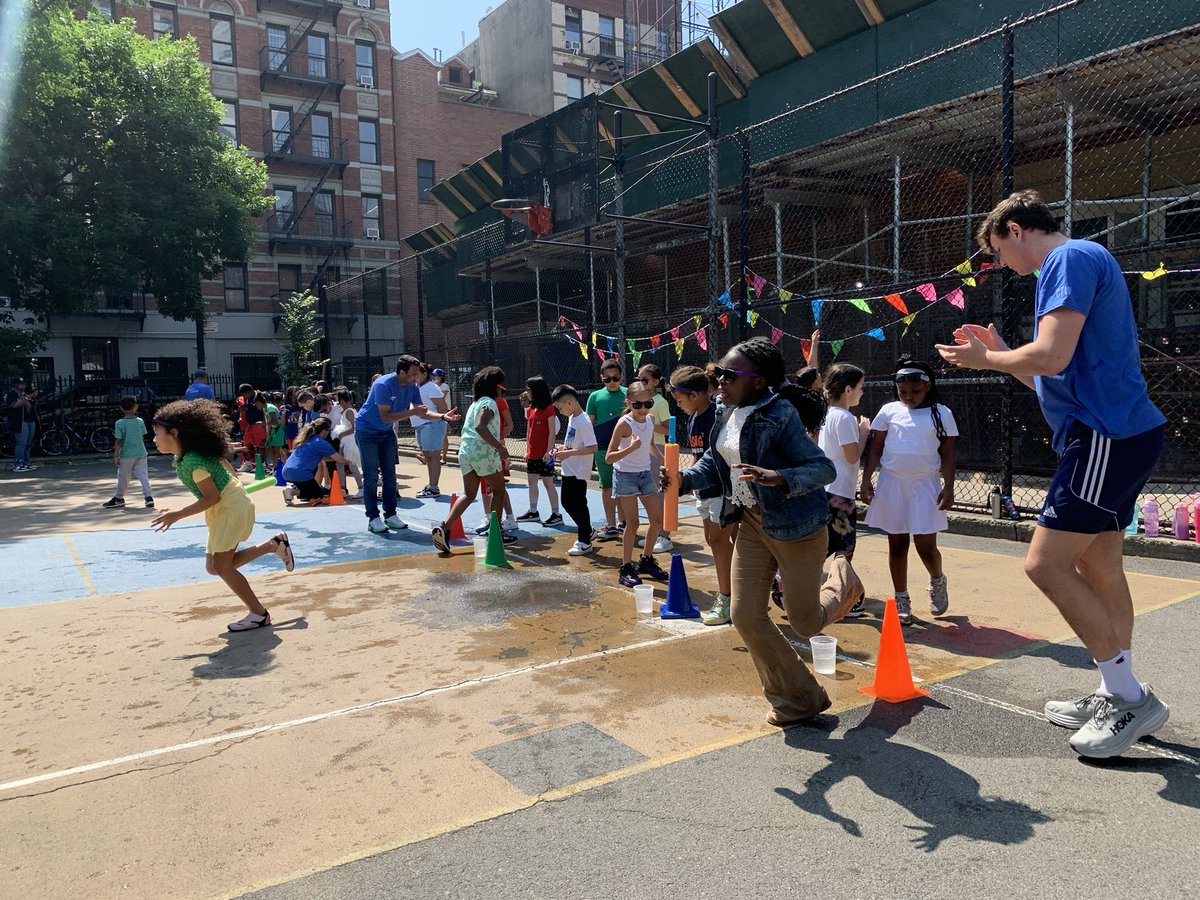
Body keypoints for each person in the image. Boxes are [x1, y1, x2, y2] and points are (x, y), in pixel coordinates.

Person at [935, 189, 1169, 759]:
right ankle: (1117, 688)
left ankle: (1129, 699)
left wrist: (987, 358)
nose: (1001, 265)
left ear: (1015, 230)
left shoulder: (1068, 258)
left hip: (1104, 436)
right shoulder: (1079, 262)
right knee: (1100, 565)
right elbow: (1050, 374)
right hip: (1119, 433)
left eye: (998, 251)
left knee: (1045, 565)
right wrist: (1004, 352)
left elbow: (1050, 357)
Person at [667, 338, 860, 728]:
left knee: (804, 623)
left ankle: (843, 578)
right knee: (744, 615)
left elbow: (823, 468)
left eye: (729, 375)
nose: (720, 381)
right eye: (718, 373)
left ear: (757, 382)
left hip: (796, 528)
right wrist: (684, 479)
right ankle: (798, 700)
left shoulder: (780, 414)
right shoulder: (725, 410)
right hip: (753, 524)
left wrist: (779, 476)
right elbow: (717, 461)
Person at [150, 399, 294, 632]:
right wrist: (233, 481)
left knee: (222, 566)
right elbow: (221, 462)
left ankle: (259, 614)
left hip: (229, 508)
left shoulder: (192, 462)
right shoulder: (189, 456)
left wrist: (177, 515)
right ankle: (273, 544)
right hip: (225, 507)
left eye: (157, 433)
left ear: (174, 433)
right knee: (214, 566)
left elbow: (211, 497)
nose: (154, 439)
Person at [860, 356, 957, 626]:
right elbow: (876, 448)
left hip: (926, 485)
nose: (908, 396)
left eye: (915, 390)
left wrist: (949, 487)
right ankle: (901, 598)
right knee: (897, 544)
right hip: (892, 484)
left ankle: (937, 579)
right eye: (902, 391)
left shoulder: (941, 413)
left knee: (926, 547)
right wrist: (866, 479)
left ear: (927, 386)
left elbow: (948, 453)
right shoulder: (889, 411)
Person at [669, 365, 737, 625]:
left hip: (721, 489)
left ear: (695, 395)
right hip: (703, 489)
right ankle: (736, 591)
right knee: (712, 539)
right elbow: (697, 457)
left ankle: (727, 598)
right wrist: (684, 479)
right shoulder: (693, 417)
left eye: (680, 400)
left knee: (719, 541)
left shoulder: (715, 416)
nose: (679, 406)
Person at [356, 355, 454, 534]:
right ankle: (373, 518)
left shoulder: (412, 386)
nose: (417, 377)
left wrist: (442, 416)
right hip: (367, 431)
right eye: (413, 374)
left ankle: (391, 515)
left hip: (386, 433)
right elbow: (385, 416)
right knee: (371, 476)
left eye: (418, 374)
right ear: (402, 372)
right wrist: (412, 412)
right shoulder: (382, 385)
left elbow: (422, 412)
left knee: (390, 475)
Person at [432, 366, 517, 552]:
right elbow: (480, 426)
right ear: (495, 386)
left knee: (469, 494)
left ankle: (444, 527)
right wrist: (500, 447)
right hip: (483, 453)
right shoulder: (489, 403)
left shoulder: (475, 403)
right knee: (499, 490)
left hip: (466, 452)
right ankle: (496, 532)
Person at [818, 363, 872, 618]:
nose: (862, 392)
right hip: (840, 493)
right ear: (848, 390)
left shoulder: (828, 414)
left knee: (827, 544)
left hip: (828, 488)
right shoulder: (844, 417)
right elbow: (852, 456)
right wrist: (864, 433)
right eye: (860, 387)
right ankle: (844, 599)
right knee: (844, 548)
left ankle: (789, 581)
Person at [605, 380, 669, 587]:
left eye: (647, 404)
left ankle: (646, 560)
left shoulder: (650, 420)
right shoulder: (624, 424)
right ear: (628, 403)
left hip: (644, 474)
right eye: (637, 404)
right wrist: (630, 448)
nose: (643, 409)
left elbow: (649, 445)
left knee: (657, 520)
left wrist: (664, 460)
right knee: (633, 523)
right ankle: (625, 567)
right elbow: (609, 457)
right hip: (625, 476)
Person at [551, 384, 598, 556]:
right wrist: (561, 449)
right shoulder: (573, 418)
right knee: (567, 502)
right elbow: (571, 442)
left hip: (578, 470)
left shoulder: (583, 421)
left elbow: (592, 447)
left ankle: (585, 541)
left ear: (569, 403)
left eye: (560, 408)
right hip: (569, 468)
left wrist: (568, 453)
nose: (560, 411)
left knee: (579, 504)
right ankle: (587, 530)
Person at [586, 359, 627, 541]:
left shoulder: (628, 394)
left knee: (624, 487)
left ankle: (623, 523)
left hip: (625, 448)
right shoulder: (594, 397)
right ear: (601, 378)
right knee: (607, 486)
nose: (612, 382)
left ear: (621, 376)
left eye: (615, 378)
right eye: (607, 379)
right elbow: (590, 423)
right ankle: (611, 525)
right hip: (603, 448)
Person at [636, 363, 674, 552]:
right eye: (638, 379)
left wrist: (648, 423)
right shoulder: (639, 401)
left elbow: (668, 429)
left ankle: (664, 536)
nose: (641, 383)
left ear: (655, 381)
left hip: (655, 448)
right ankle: (655, 532)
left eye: (644, 379)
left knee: (658, 493)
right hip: (641, 449)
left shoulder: (660, 402)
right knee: (647, 493)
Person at [516, 376, 562, 526]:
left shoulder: (548, 409)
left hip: (546, 455)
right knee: (532, 482)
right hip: (533, 453)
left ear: (536, 390)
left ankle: (556, 514)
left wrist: (549, 451)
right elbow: (529, 432)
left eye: (529, 389)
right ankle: (533, 511)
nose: (527, 392)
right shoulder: (530, 409)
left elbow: (551, 431)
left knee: (548, 483)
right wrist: (527, 450)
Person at [476, 386, 517, 536]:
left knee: (498, 486)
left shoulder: (498, 402)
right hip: (483, 449)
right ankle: (488, 517)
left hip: (494, 449)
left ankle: (509, 517)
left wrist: (498, 441)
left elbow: (509, 424)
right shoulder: (480, 402)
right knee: (485, 485)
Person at [282, 416, 350, 504]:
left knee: (314, 484)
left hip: (287, 471)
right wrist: (353, 461)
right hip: (300, 473)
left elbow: (323, 458)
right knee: (319, 495)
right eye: (329, 430)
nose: (329, 433)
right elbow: (340, 460)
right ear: (324, 431)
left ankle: (296, 489)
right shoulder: (321, 443)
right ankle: (292, 491)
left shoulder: (306, 438)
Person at [103, 395, 153, 509]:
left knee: (123, 477)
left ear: (121, 408)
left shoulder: (120, 423)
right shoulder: (140, 421)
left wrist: (115, 456)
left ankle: (119, 498)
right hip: (141, 452)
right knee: (143, 476)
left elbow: (118, 441)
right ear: (136, 407)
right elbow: (141, 436)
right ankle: (148, 497)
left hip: (126, 454)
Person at [414, 365, 449, 498]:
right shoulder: (417, 387)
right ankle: (431, 485)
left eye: (417, 374)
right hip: (421, 425)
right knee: (428, 457)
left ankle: (433, 488)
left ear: (424, 374)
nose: (414, 376)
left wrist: (442, 420)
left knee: (433, 457)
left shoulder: (431, 387)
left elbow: (442, 407)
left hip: (431, 425)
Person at [331, 389, 364, 499]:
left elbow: (355, 427)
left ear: (342, 400)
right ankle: (342, 488)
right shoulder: (348, 411)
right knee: (340, 463)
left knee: (352, 464)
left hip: (349, 441)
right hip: (346, 441)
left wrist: (342, 434)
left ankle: (361, 488)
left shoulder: (349, 411)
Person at [6, 375, 38, 473]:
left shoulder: (25, 394)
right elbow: (15, 405)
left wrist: (33, 398)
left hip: (30, 420)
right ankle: (18, 464)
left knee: (28, 443)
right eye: (20, 384)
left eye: (23, 384)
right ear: (15, 385)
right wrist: (28, 398)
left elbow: (32, 406)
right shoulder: (12, 395)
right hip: (20, 421)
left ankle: (26, 462)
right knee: (21, 443)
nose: (22, 386)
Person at [262, 392, 287, 473]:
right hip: (273, 429)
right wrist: (267, 435)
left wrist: (264, 424)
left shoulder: (271, 408)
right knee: (273, 449)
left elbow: (275, 422)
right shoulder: (265, 408)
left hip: (278, 429)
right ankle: (276, 467)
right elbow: (268, 422)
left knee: (277, 449)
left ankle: (278, 467)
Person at [431, 369, 452, 465]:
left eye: (436, 375)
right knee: (436, 434)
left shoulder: (444, 386)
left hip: (444, 412)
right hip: (436, 412)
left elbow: (440, 398)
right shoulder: (433, 386)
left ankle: (444, 457)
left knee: (443, 435)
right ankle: (436, 455)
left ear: (441, 377)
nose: (434, 377)